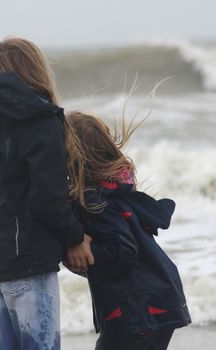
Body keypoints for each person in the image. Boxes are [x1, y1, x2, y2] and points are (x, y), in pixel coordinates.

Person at [0, 37, 95, 350]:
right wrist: (75, 238)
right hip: (29, 261)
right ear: (37, 71)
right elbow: (47, 198)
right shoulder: (42, 121)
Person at [64, 111, 191, 350]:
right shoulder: (115, 191)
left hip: (135, 310)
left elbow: (123, 250)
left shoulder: (97, 202)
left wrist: (87, 251)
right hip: (157, 300)